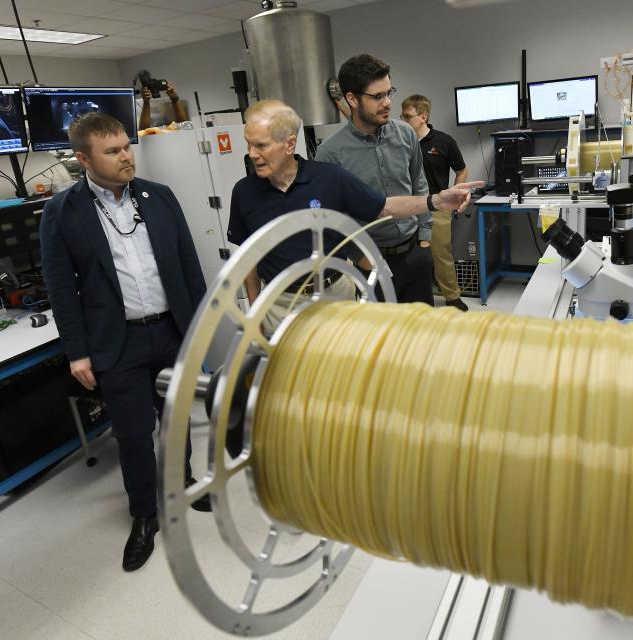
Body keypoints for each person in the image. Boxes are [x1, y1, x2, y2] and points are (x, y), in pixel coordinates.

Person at [40, 112, 208, 574]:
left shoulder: (159, 196)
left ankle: (183, 482)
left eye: (126, 147)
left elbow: (188, 266)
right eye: (112, 151)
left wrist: (197, 328)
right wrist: (77, 351)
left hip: (171, 332)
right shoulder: (63, 211)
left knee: (176, 420)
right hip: (119, 343)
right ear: (83, 159)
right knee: (134, 434)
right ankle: (143, 515)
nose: (125, 157)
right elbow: (60, 287)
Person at [228, 99, 481, 331]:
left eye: (261, 145)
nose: (252, 153)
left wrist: (435, 200)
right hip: (279, 306)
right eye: (249, 144)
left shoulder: (328, 178)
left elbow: (385, 206)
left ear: (289, 144)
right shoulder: (244, 192)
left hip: (335, 297)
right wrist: (255, 314)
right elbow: (248, 259)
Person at [316, 54, 435, 304]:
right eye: (377, 96)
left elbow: (419, 184)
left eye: (389, 92)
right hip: (371, 262)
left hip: (415, 252)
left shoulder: (405, 134)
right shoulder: (330, 153)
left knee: (422, 333)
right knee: (383, 337)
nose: (388, 103)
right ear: (352, 99)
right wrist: (357, 255)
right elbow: (333, 216)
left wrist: (425, 236)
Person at [401, 94, 470, 311]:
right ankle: (416, 297)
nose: (403, 121)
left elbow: (462, 170)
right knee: (411, 255)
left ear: (423, 116)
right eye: (401, 116)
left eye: (407, 116)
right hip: (408, 207)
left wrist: (456, 193)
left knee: (441, 254)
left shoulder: (444, 141)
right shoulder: (400, 142)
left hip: (437, 207)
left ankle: (451, 296)